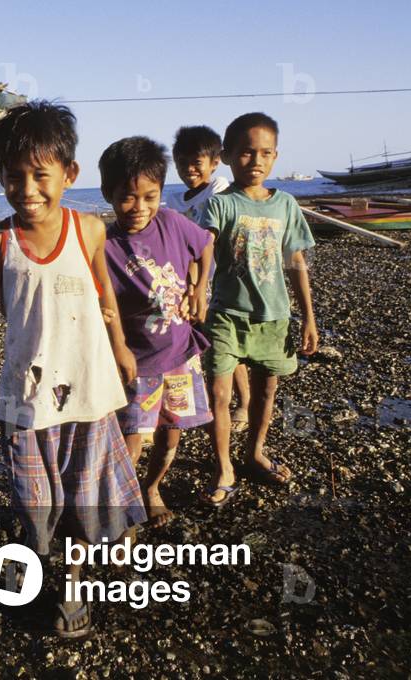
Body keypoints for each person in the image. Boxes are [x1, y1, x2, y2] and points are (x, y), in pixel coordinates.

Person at [0, 101, 144, 638]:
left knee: (82, 497)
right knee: (37, 499)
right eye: (13, 177)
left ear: (68, 174)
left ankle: (71, 583)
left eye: (40, 176)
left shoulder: (88, 230)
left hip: (88, 390)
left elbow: (104, 295)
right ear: (0, 177)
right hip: (26, 399)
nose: (27, 190)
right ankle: (37, 560)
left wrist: (120, 347)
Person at [199, 112, 318, 507]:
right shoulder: (220, 204)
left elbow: (296, 262)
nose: (256, 161)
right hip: (226, 316)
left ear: (276, 156)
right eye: (247, 152)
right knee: (219, 394)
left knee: (267, 393)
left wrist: (309, 317)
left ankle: (254, 453)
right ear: (228, 155)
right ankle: (224, 467)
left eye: (266, 153)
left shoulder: (285, 204)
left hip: (274, 318)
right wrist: (196, 291)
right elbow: (202, 251)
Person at [99, 137, 214, 527]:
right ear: (108, 194)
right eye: (128, 197)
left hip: (181, 357)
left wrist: (199, 290)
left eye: (150, 196)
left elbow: (206, 245)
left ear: (161, 194)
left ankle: (152, 488)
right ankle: (123, 512)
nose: (140, 207)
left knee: (171, 435)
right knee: (132, 441)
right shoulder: (105, 245)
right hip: (139, 364)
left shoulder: (172, 222)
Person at [169, 125, 251, 432]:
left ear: (214, 162)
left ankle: (243, 403)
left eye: (196, 163)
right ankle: (207, 406)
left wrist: (198, 284)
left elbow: (207, 238)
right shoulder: (175, 201)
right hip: (188, 282)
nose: (189, 169)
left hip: (220, 282)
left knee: (228, 348)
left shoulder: (218, 188)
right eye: (182, 163)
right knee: (202, 346)